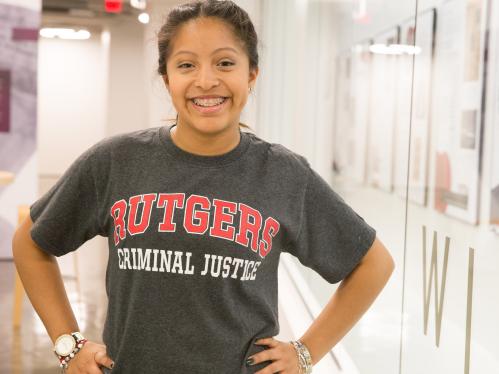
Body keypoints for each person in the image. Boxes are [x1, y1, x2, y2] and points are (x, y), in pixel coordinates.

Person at [12, 1, 395, 373]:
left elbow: (373, 263)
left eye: (225, 63)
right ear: (167, 78)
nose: (206, 80)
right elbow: (31, 241)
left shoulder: (283, 174)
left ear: (251, 74)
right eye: (186, 65)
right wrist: (69, 345)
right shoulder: (116, 161)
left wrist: (306, 352)